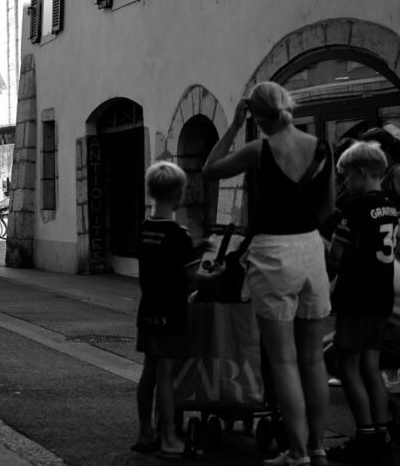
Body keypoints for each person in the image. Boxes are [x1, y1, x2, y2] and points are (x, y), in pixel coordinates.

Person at [203, 82, 335, 466]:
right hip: (311, 249)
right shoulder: (323, 148)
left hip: (273, 252)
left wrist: (232, 125)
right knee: (314, 358)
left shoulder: (259, 149)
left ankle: (296, 451)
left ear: (258, 116)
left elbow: (210, 169)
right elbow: (327, 211)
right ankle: (318, 448)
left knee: (283, 360)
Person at [134, 162, 222, 460]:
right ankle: (170, 438)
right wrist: (214, 273)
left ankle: (146, 432)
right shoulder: (178, 233)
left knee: (149, 372)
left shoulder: (146, 228)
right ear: (181, 193)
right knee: (167, 376)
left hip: (147, 310)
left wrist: (195, 248)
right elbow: (191, 278)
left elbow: (162, 262)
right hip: (171, 312)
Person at [325, 142, 400, 465]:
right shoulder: (388, 205)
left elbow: (336, 256)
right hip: (382, 296)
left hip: (356, 297)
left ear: (359, 173)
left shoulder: (354, 210)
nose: (343, 185)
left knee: (347, 365)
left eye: (344, 178)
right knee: (372, 366)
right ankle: (382, 434)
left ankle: (365, 435)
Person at [361, 128, 400, 397]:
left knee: (395, 311)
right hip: (390, 248)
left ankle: (397, 372)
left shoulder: (397, 173)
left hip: (399, 250)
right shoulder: (385, 174)